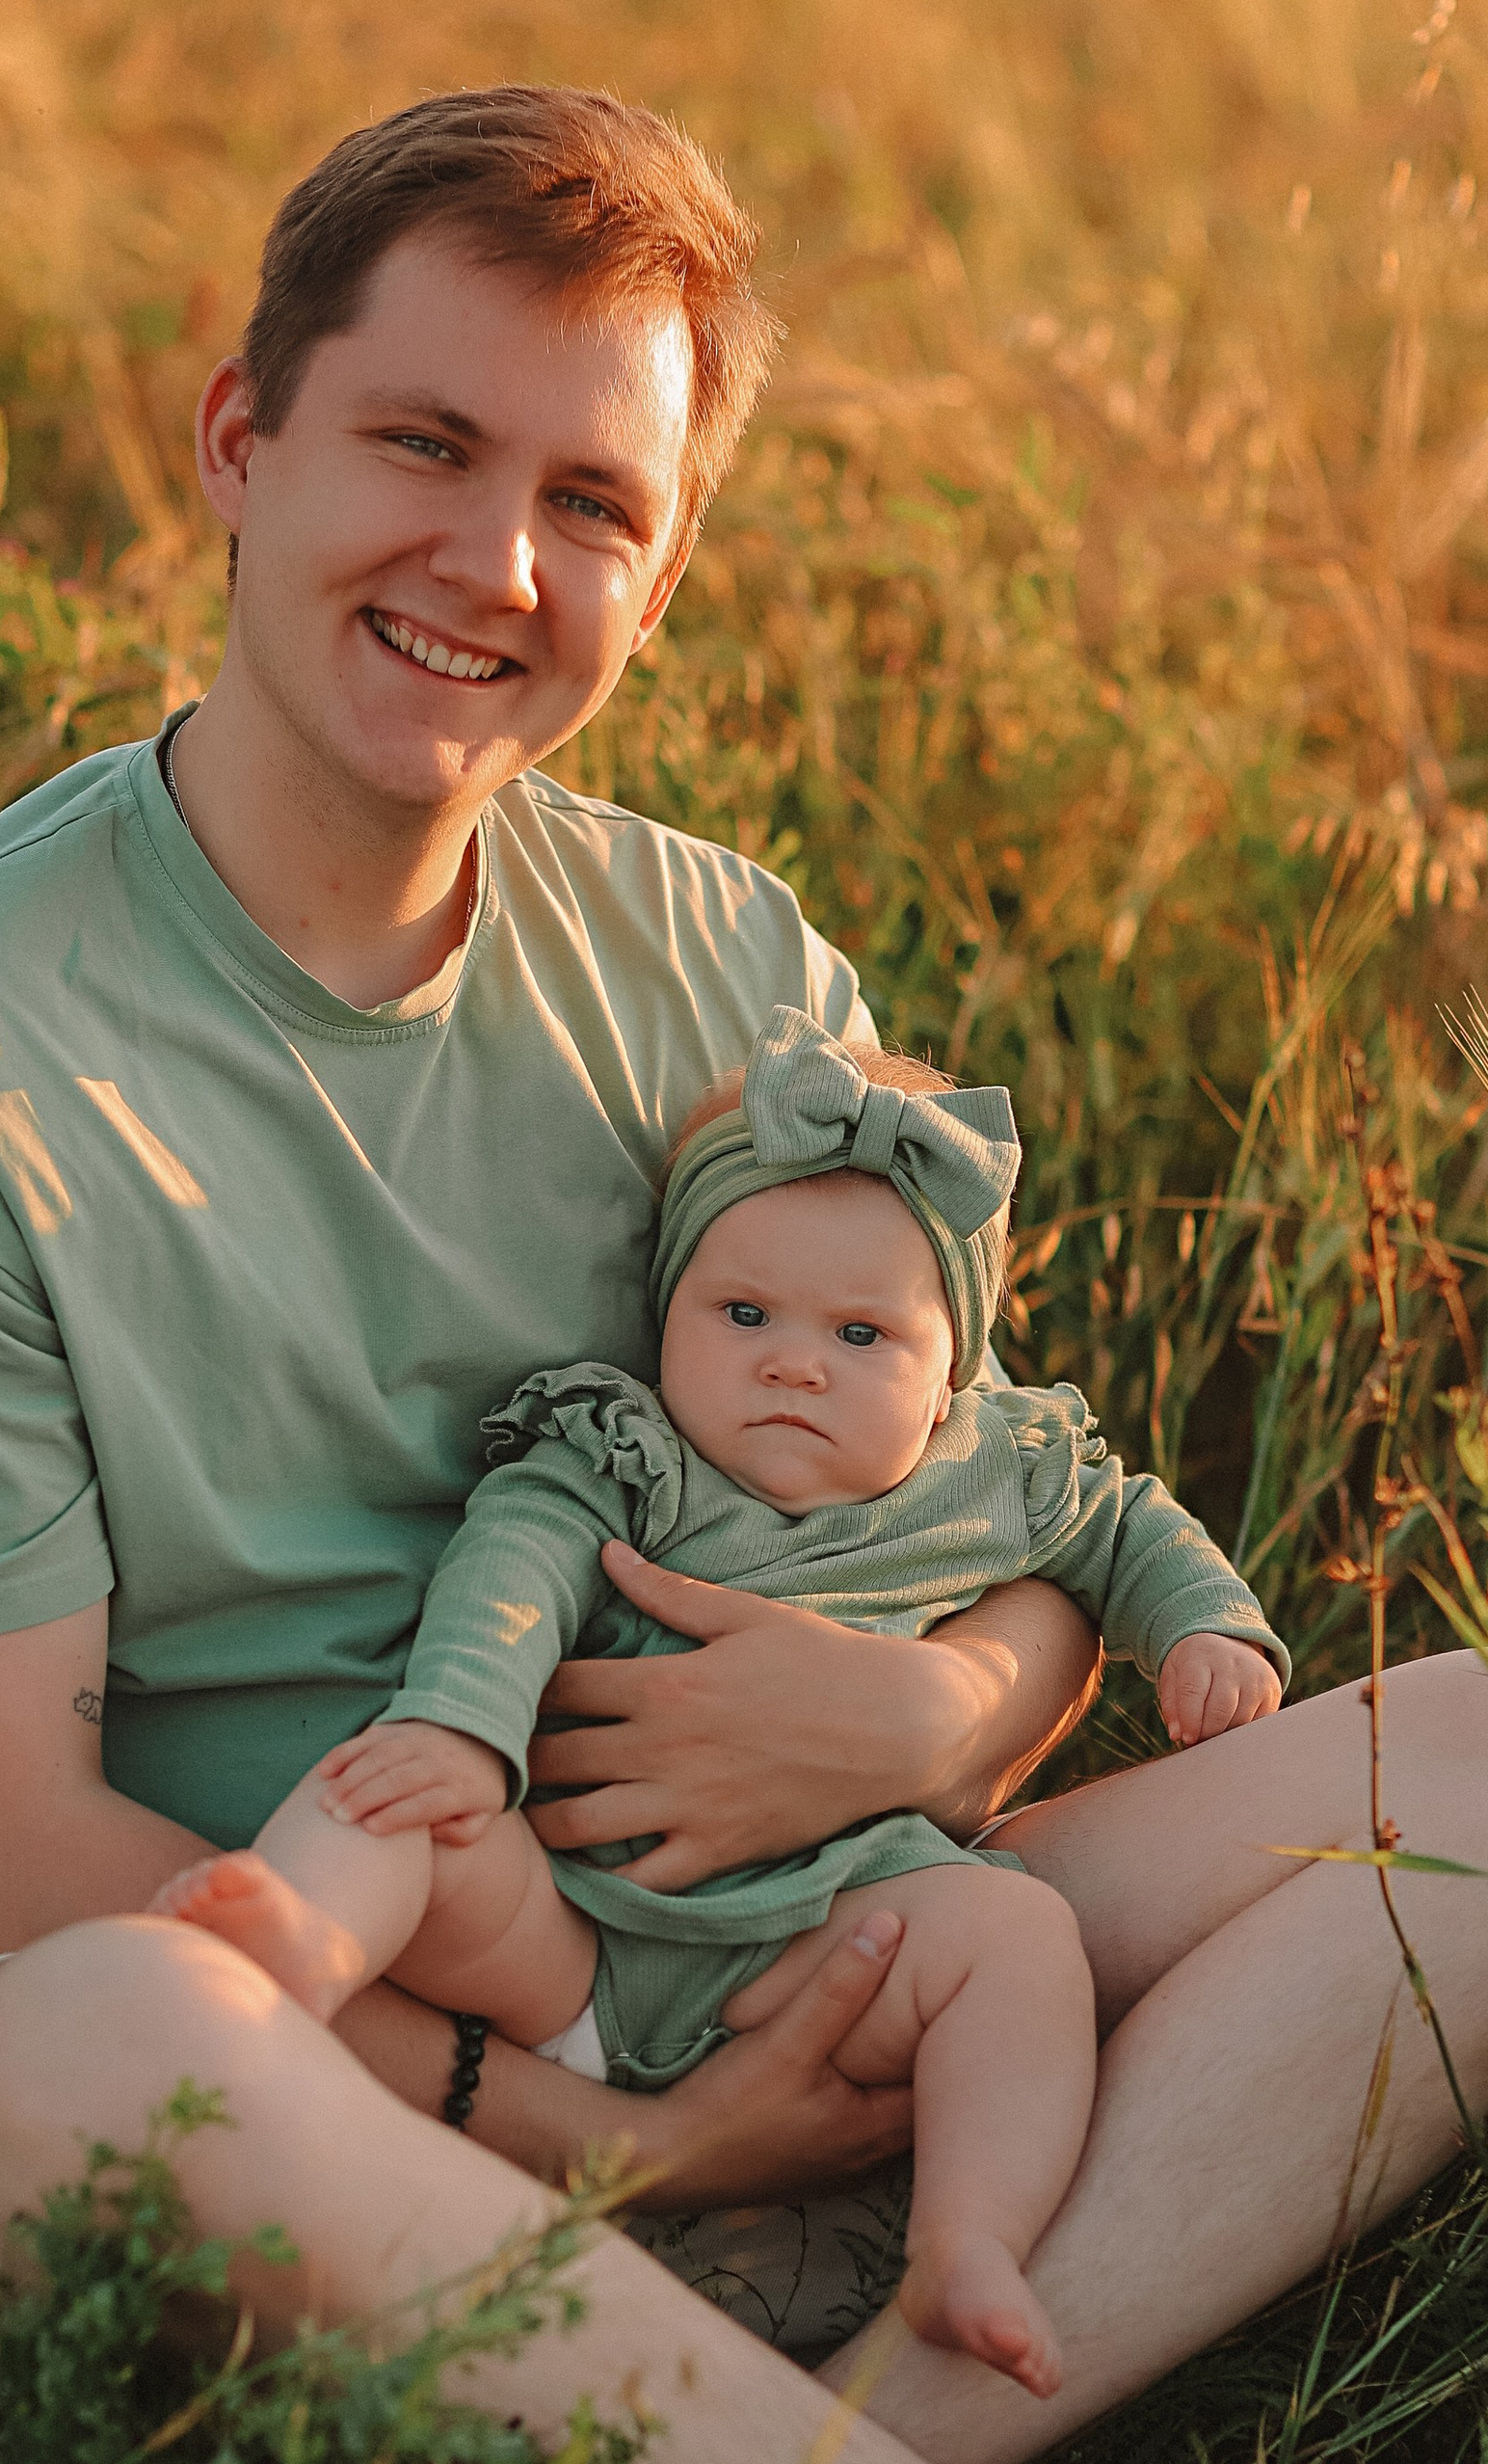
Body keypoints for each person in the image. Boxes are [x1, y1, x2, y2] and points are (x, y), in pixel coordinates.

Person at [0, 86, 1488, 2464]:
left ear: (668, 557)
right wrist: (605, 2137)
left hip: (773, 1932)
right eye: (421, 443)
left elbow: (975, 1491)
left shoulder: (722, 963)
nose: (495, 564)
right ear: (240, 438)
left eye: (590, 502)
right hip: (278, 2061)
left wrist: (942, 1706)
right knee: (100, 2034)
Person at [153, 1011, 1287, 2393]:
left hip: (831, 1940)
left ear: (951, 1373)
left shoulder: (997, 1471)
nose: (793, 1363)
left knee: (1017, 1942)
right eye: (742, 1314)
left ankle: (970, 2239)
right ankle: (296, 1952)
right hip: (567, 1941)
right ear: (668, 1310)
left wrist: (1207, 1629)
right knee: (392, 1792)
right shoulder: (627, 1453)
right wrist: (461, 1731)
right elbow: (509, 1573)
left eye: (862, 1334)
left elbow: (1131, 1530)